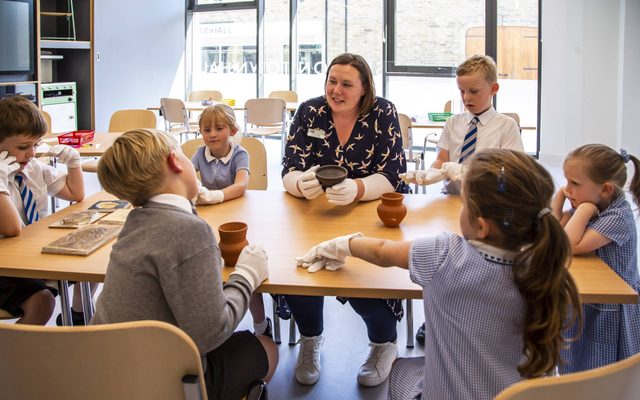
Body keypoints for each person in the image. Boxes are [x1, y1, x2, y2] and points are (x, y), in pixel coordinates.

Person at [297, 149, 582, 399]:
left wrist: (342, 244)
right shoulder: (551, 272)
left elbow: (382, 251)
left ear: (481, 227)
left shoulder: (445, 254)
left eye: (464, 203)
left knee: (401, 368)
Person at [91, 128, 278, 400]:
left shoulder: (135, 222)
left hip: (112, 374)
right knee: (267, 347)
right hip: (165, 385)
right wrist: (247, 275)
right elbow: (211, 332)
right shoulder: (189, 231)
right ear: (174, 161)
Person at [280, 53, 409, 387]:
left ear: (364, 89)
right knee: (298, 272)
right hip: (314, 214)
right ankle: (310, 340)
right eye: (331, 81)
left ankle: (384, 344)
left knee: (362, 283)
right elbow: (289, 168)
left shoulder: (383, 112)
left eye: (347, 84)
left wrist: (359, 188)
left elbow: (393, 174)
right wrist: (299, 183)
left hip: (370, 215)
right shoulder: (310, 111)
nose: (336, 90)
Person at [403, 54, 524, 344]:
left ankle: (473, 318)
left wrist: (467, 171)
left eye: (473, 91)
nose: (466, 97)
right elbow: (441, 161)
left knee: (477, 267)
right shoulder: (454, 123)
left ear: (493, 89)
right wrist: (426, 175)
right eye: (461, 91)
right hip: (451, 204)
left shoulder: (506, 127)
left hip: (487, 209)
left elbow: (511, 174)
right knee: (443, 263)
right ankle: (435, 318)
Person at [552, 144, 640, 373]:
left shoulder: (617, 216)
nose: (566, 189)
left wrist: (583, 211)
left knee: (600, 367)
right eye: (566, 181)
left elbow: (568, 245)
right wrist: (558, 204)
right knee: (578, 360)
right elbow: (554, 236)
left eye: (574, 184)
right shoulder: (593, 203)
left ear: (606, 190)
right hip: (589, 302)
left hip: (610, 307)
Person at [0, 95, 85, 325]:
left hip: (26, 256)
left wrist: (73, 163)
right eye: (23, 147)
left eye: (35, 145)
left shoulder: (31, 166)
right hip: (4, 263)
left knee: (85, 265)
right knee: (42, 301)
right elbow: (11, 228)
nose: (32, 153)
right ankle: (12, 356)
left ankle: (77, 316)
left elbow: (75, 194)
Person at [191, 103, 272, 338]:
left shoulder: (239, 153)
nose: (212, 134)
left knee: (242, 267)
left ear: (233, 131)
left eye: (219, 128)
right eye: (206, 130)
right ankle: (216, 324)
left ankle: (260, 325)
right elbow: (184, 177)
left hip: (238, 218)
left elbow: (241, 185)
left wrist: (214, 196)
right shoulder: (199, 154)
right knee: (212, 270)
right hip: (210, 220)